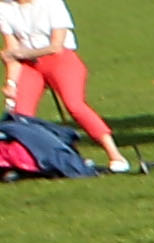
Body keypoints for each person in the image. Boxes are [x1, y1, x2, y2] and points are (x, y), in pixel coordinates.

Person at [1, 0, 130, 173]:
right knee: (20, 116)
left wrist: (23, 53)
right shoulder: (5, 7)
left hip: (60, 59)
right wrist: (11, 83)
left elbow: (56, 45)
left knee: (74, 105)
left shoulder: (52, 3)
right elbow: (12, 51)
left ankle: (115, 155)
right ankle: (23, 163)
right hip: (29, 65)